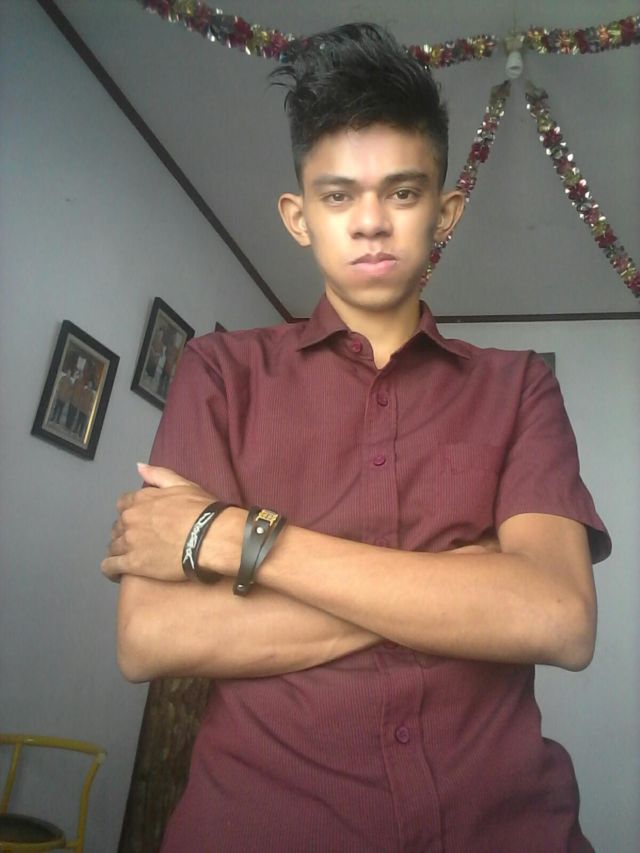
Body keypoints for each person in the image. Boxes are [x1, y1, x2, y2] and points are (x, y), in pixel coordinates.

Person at [103, 23, 610, 853]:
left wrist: (237, 536)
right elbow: (151, 636)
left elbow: (558, 618)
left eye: (402, 194)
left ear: (444, 212)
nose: (370, 222)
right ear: (298, 216)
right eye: (338, 196)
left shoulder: (519, 386)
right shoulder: (220, 372)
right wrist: (463, 587)